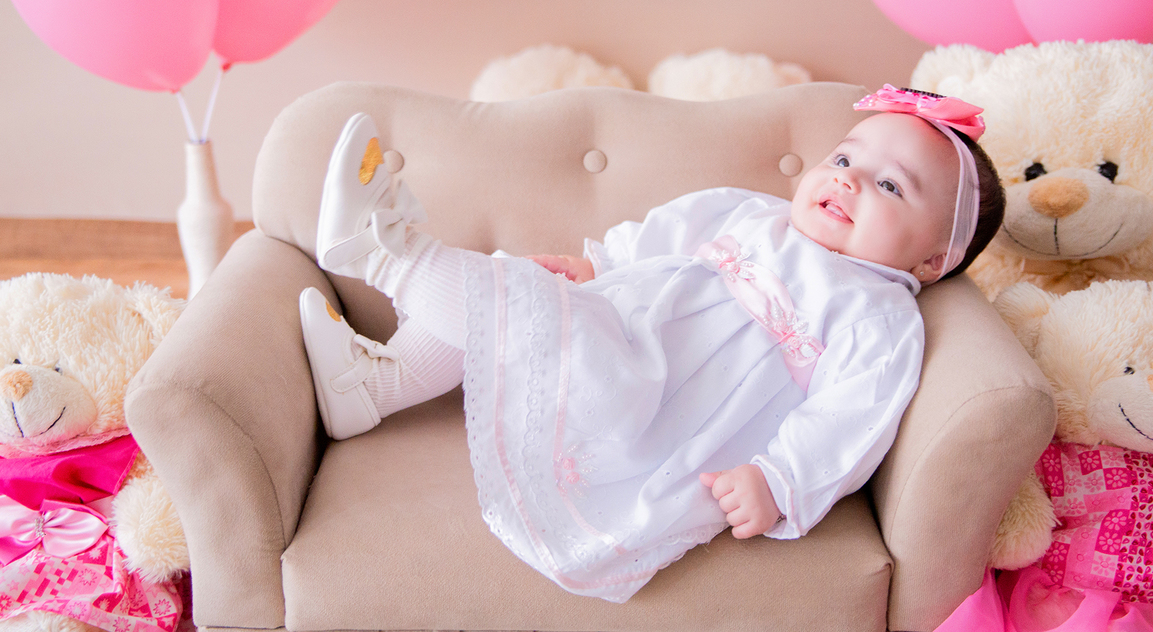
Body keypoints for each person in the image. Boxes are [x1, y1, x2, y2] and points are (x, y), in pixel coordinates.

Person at [298, 85, 1005, 602]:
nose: (847, 178)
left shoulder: (877, 316)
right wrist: (599, 264)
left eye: (889, 186)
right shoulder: (753, 213)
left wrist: (778, 481)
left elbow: (848, 420)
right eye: (845, 156)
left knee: (520, 310)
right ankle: (374, 388)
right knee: (514, 299)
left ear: (932, 261)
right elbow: (663, 233)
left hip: (652, 398)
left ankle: (384, 256)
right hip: (619, 323)